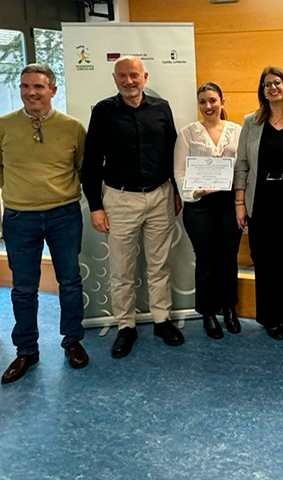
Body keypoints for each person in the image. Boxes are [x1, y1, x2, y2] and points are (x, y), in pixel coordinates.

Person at [0, 63, 88, 383]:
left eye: (39, 87)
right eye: (25, 86)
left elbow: (81, 167)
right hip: (20, 218)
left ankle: (72, 342)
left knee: (70, 282)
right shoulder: (0, 127)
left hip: (64, 215)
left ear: (53, 91)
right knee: (23, 287)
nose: (31, 92)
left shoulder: (72, 128)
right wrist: (23, 195)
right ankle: (26, 350)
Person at [82, 55, 184, 358]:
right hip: (120, 199)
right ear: (115, 79)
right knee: (122, 268)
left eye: (134, 75)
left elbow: (173, 152)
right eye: (123, 76)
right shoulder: (102, 112)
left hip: (160, 196)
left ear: (145, 77)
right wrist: (96, 206)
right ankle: (125, 325)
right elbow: (90, 162)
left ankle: (161, 320)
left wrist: (177, 192)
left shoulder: (161, 108)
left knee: (159, 264)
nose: (129, 81)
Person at [235, 66, 283, 342]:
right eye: (266, 85)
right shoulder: (251, 122)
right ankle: (270, 318)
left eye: (277, 83)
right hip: (261, 204)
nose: (272, 88)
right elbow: (242, 165)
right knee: (265, 263)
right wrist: (239, 204)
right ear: (262, 91)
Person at [174, 82, 243, 339]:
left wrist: (240, 202)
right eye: (203, 101)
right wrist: (193, 192)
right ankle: (208, 313)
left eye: (213, 100)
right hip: (199, 207)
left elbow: (243, 169)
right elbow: (179, 172)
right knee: (206, 261)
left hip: (228, 205)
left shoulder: (237, 131)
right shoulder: (188, 133)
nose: (208, 106)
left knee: (228, 259)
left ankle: (230, 310)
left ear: (222, 101)